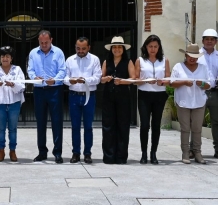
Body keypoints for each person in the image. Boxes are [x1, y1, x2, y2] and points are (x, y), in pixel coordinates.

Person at [27, 30, 66, 163]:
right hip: (39, 90)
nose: (44, 45)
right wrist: (34, 77)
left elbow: (63, 70)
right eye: (41, 42)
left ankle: (58, 152)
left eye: (46, 42)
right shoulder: (33, 53)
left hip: (55, 89)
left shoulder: (58, 52)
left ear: (51, 40)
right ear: (38, 40)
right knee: (40, 122)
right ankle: (42, 152)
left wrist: (55, 80)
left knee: (57, 121)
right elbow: (30, 69)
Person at [171, 44, 211, 164]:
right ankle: (185, 152)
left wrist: (201, 84)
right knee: (185, 129)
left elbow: (208, 85)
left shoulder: (203, 68)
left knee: (197, 128)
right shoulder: (178, 67)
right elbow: (172, 83)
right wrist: (183, 82)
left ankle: (197, 152)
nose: (192, 58)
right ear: (185, 55)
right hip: (183, 101)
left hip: (199, 101)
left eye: (195, 56)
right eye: (190, 56)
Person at [64, 37, 101, 164]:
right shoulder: (69, 60)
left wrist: (84, 80)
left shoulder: (94, 59)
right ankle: (76, 152)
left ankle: (87, 153)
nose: (80, 51)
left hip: (88, 95)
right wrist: (70, 81)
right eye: (78, 48)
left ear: (89, 47)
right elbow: (64, 77)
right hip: (74, 94)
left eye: (83, 48)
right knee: (75, 126)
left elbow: (97, 78)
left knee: (88, 126)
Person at [134, 34, 170, 165]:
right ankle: (144, 153)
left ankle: (153, 153)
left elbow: (168, 79)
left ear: (159, 47)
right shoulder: (140, 60)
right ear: (146, 47)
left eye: (155, 46)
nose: (153, 49)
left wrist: (163, 82)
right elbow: (136, 79)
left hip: (159, 95)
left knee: (156, 125)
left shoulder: (164, 60)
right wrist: (143, 80)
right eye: (150, 46)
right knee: (144, 125)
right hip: (144, 94)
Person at [0, 46, 25, 162]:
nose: (5, 59)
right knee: (1, 128)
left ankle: (12, 151)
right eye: (3, 56)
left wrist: (13, 85)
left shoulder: (17, 70)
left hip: (14, 103)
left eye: (7, 56)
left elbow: (22, 86)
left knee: (13, 129)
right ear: (0, 58)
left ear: (11, 58)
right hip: (0, 103)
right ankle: (1, 151)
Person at [101, 36, 135, 164]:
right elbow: (101, 78)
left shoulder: (128, 62)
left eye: (119, 47)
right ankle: (109, 156)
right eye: (114, 47)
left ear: (123, 49)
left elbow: (133, 78)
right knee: (108, 126)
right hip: (108, 97)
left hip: (123, 97)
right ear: (111, 49)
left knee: (123, 126)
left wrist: (122, 81)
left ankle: (121, 157)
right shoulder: (106, 62)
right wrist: (106, 79)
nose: (117, 49)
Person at [197, 29, 218, 159]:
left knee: (216, 122)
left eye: (212, 39)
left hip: (216, 93)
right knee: (197, 122)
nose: (209, 41)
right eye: (207, 39)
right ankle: (195, 149)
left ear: (216, 41)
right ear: (202, 40)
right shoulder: (196, 55)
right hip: (199, 92)